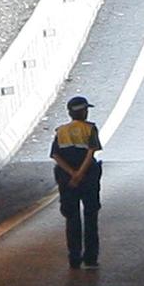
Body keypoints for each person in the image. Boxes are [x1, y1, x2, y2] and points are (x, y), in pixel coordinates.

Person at [50, 95, 103, 269]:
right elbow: (91, 152)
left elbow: (55, 155)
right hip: (88, 178)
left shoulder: (61, 131)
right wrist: (80, 173)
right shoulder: (90, 129)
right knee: (90, 216)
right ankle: (90, 258)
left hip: (67, 180)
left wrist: (71, 173)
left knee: (71, 218)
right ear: (84, 112)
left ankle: (74, 258)